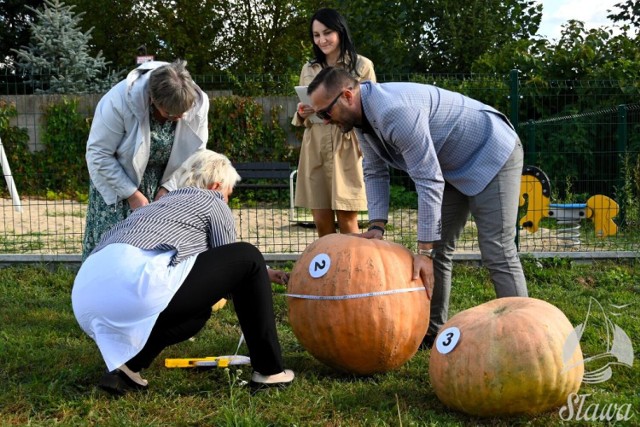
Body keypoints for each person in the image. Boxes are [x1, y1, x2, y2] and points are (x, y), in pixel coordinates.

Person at [306, 67, 528, 349]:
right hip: (450, 166)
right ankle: (432, 331)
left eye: (325, 113)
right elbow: (374, 172)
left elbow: (427, 179)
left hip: (491, 151)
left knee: (497, 248)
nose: (324, 121)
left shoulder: (395, 112)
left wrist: (422, 251)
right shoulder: (360, 120)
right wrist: (376, 226)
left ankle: (525, 335)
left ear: (347, 96)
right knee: (439, 250)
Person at [72, 150, 294, 395]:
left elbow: (212, 267)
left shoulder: (158, 206)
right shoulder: (212, 200)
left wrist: (266, 273)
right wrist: (258, 269)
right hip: (135, 288)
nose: (227, 201)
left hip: (86, 299)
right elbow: (235, 261)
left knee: (195, 315)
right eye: (228, 194)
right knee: (249, 255)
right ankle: (269, 371)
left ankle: (127, 368)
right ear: (216, 186)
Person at [82, 59, 209, 260]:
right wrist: (132, 195)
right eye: (169, 113)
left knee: (159, 254)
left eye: (182, 113)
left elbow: (196, 155)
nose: (178, 118)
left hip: (166, 184)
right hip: (118, 181)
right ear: (152, 99)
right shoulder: (118, 101)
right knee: (115, 253)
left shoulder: (197, 103)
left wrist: (169, 188)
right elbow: (98, 154)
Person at [292, 8, 376, 236]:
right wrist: (301, 112)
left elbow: (370, 109)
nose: (322, 40)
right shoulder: (308, 69)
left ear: (340, 31)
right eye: (316, 35)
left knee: (348, 220)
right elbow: (301, 115)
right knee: (321, 221)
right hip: (315, 145)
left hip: (346, 143)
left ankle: (354, 270)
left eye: (327, 32)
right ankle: (330, 272)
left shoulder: (362, 67)